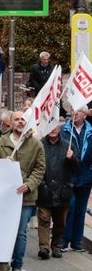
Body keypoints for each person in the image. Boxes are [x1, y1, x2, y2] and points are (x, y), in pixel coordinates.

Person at [0, 110, 46, 271]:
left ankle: (17, 267)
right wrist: (2, 164)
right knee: (3, 231)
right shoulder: (1, 142)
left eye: (23, 119)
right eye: (17, 119)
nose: (21, 122)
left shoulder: (36, 144)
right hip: (5, 197)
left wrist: (29, 185)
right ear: (10, 122)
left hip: (25, 197)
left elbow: (40, 168)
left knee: (20, 233)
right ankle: (3, 263)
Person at [36, 124, 78, 260]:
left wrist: (72, 158)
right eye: (50, 127)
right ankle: (44, 247)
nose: (53, 130)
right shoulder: (40, 144)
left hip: (62, 191)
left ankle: (56, 245)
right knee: (43, 219)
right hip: (44, 189)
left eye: (56, 128)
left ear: (59, 129)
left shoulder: (67, 144)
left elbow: (76, 167)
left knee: (60, 222)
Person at [60, 105, 92, 252]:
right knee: (70, 207)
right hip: (69, 176)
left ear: (85, 115)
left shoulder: (90, 131)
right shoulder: (64, 130)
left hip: (86, 176)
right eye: (73, 110)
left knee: (81, 209)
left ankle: (77, 241)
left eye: (78, 111)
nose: (74, 113)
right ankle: (64, 240)